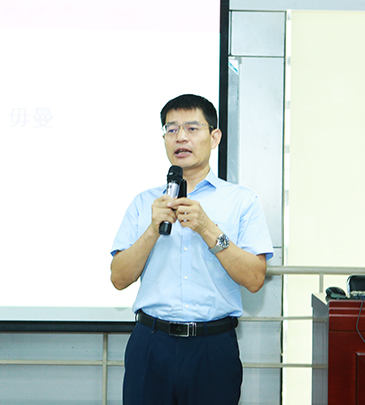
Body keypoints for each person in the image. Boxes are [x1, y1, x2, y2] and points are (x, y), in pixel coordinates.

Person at [110, 94, 273, 404]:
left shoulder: (242, 201)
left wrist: (208, 229)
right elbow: (118, 278)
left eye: (192, 128)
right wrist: (152, 230)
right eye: (171, 129)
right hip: (151, 344)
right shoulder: (144, 202)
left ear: (214, 137)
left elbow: (254, 279)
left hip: (212, 347)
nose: (181, 137)